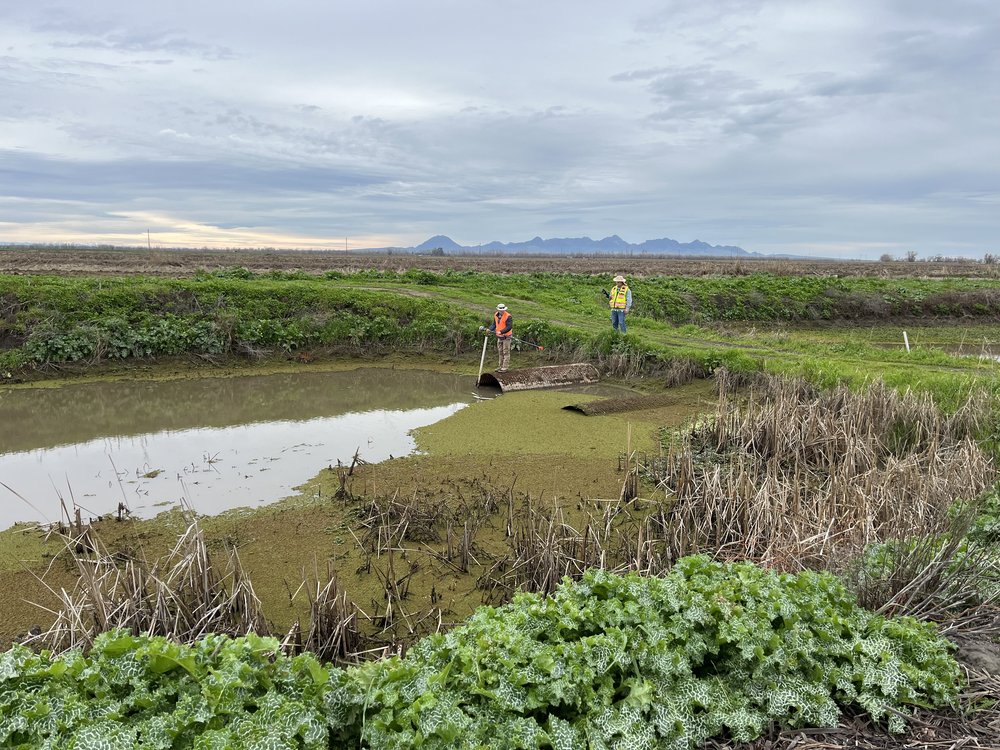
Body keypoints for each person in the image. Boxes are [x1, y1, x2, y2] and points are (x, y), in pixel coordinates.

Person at [480, 303, 513, 372]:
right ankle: (500, 366)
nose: (502, 311)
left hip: (506, 337)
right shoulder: (496, 315)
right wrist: (490, 329)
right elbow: (494, 324)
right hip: (499, 337)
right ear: (498, 310)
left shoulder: (508, 316)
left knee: (505, 352)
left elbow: (509, 327)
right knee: (500, 352)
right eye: (500, 310)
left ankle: (505, 367)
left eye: (503, 310)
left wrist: (501, 331)